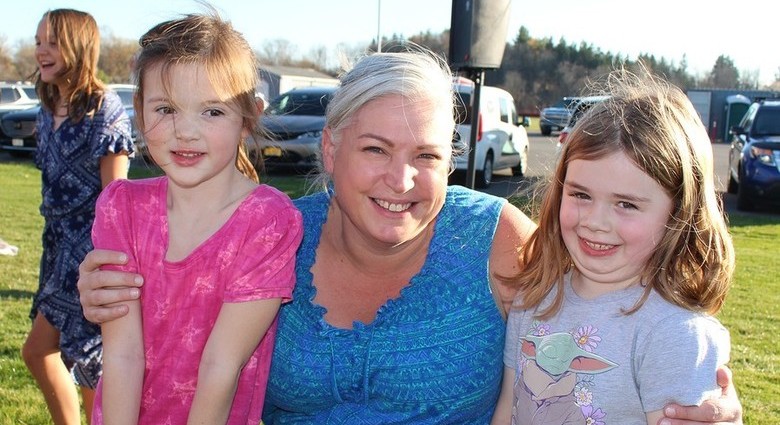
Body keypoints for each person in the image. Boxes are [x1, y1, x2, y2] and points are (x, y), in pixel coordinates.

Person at [76, 49, 743, 424]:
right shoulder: (268, 233)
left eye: (426, 154)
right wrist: (108, 284)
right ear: (331, 148)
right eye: (375, 148)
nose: (402, 179)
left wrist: (709, 402)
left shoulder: (496, 239)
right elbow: (167, 322)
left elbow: (610, 308)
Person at [89, 11, 303, 424]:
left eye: (212, 112)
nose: (185, 131)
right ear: (139, 109)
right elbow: (122, 353)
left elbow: (221, 366)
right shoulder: (121, 207)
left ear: (248, 117)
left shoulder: (268, 222)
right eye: (166, 108)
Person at [491, 68, 735, 425]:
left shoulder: (674, 334)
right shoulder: (534, 300)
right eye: (580, 195)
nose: (595, 221)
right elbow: (507, 408)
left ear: (679, 213)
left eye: (626, 204)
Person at [20, 8, 134, 425]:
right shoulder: (47, 105)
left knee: (80, 361)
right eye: (37, 43)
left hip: (88, 254)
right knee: (56, 356)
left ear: (78, 46)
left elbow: (115, 200)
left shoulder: (103, 109)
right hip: (55, 249)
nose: (40, 52)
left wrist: (102, 267)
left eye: (50, 42)